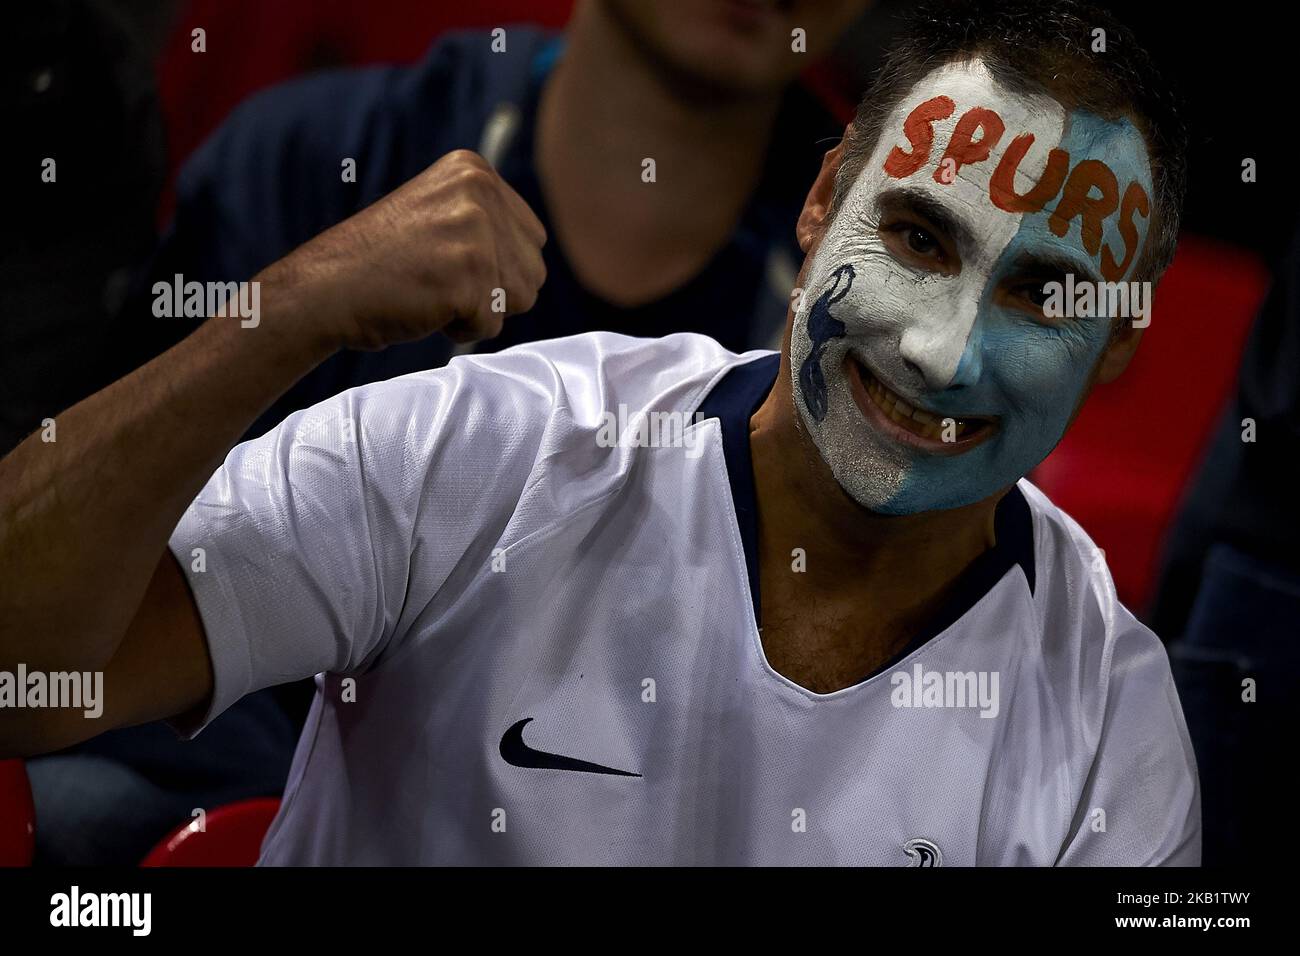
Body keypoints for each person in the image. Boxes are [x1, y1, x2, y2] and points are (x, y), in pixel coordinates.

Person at [0, 0, 1200, 865]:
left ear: (1124, 338)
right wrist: (280, 319)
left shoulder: (1112, 727)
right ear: (824, 197)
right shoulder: (493, 448)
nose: (945, 352)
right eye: (920, 238)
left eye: (1043, 293)